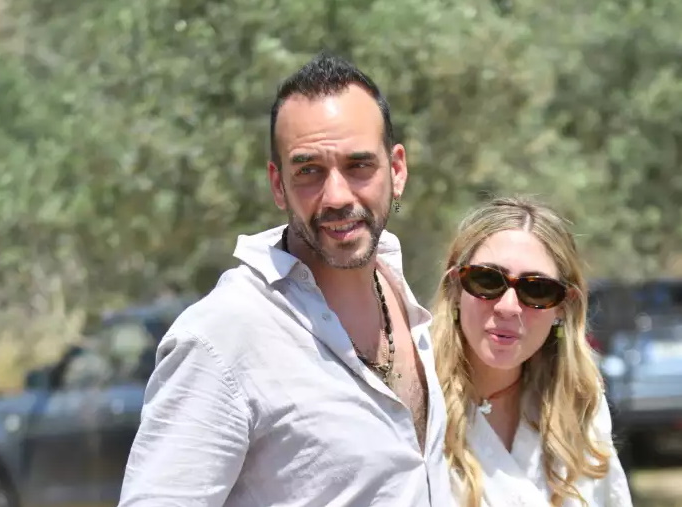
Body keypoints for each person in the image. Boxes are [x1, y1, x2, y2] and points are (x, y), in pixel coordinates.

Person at [118, 52, 452, 506]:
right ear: (278, 184)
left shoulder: (403, 297)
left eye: (358, 166)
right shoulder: (224, 335)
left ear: (396, 170)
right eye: (309, 171)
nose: (337, 196)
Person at [431, 196, 633, 507]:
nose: (508, 307)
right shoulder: (414, 401)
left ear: (563, 306)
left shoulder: (581, 404)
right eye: (487, 280)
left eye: (536, 289)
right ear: (456, 287)